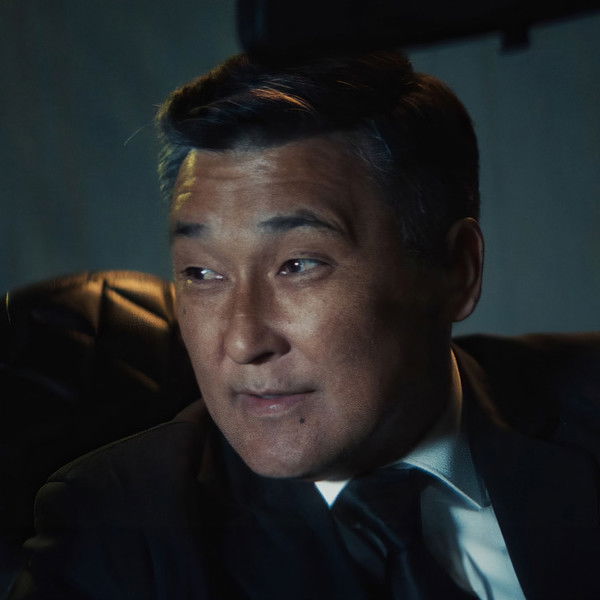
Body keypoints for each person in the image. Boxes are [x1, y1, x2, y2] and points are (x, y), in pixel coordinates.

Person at [7, 51, 600, 600]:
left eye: (298, 265)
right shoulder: (113, 533)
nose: (244, 342)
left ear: (456, 271)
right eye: (201, 273)